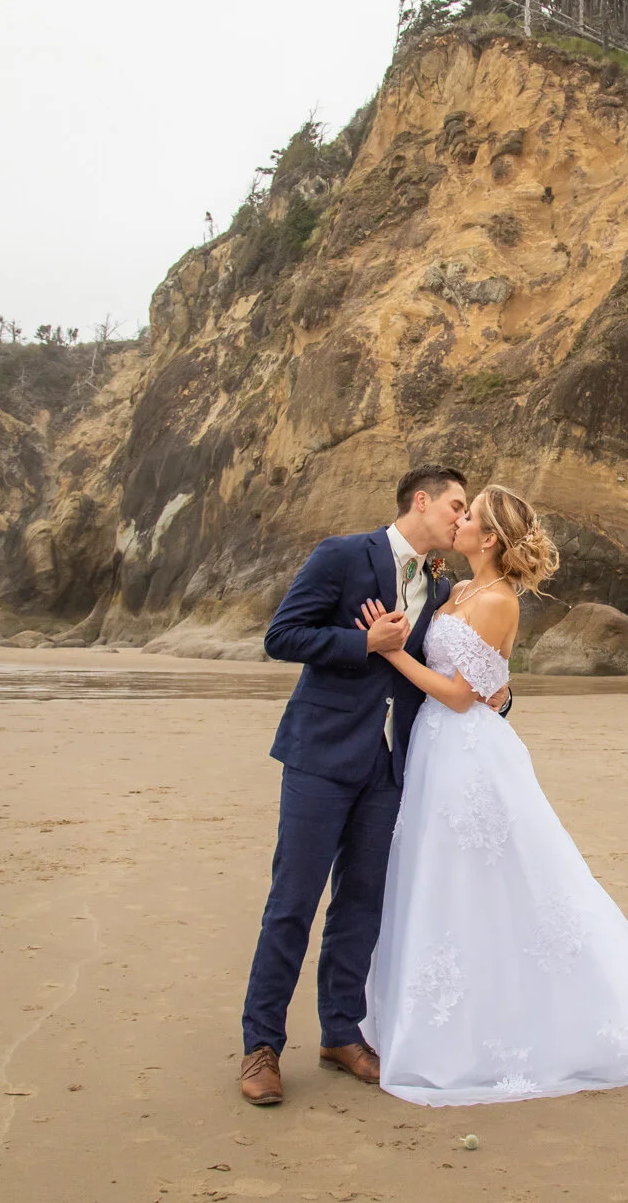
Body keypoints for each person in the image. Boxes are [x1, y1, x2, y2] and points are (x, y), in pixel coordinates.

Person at [357, 484, 628, 1105]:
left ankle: (499, 1028)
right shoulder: (457, 589)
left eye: (468, 516)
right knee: (438, 876)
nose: (459, 521)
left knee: (491, 879)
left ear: (490, 538)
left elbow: (460, 693)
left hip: (465, 751)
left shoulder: (496, 599)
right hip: (436, 752)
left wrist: (390, 654)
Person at [237, 465, 510, 1106]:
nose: (460, 516)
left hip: (390, 766)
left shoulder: (442, 584)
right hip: (320, 756)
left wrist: (497, 699)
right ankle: (260, 1048)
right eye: (456, 505)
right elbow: (281, 637)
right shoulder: (341, 555)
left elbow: (451, 666)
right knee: (293, 902)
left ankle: (340, 1033)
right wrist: (363, 641)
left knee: (362, 904)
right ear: (422, 501)